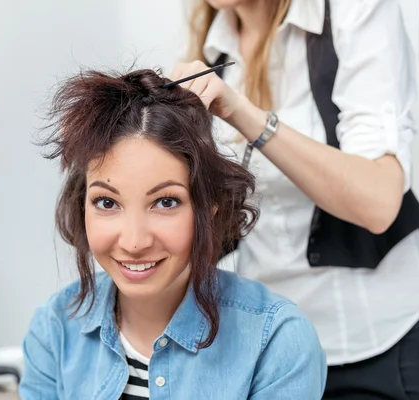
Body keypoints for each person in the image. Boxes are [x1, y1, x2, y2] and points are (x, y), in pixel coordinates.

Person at [172, 0, 419, 398]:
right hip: (270, 352)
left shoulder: (356, 12)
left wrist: (245, 115)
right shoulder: (213, 50)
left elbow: (378, 201)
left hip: (374, 349)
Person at [18, 68, 327, 399]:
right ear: (82, 206)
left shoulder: (277, 342)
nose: (134, 242)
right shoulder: (53, 330)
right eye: (107, 202)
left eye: (166, 202)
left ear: (209, 208)